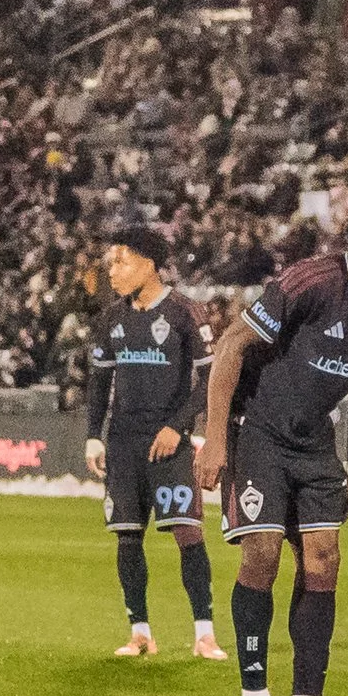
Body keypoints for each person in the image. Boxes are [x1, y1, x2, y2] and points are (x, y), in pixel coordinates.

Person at [195, 191, 348, 696]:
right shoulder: (312, 282)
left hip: (316, 443)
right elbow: (231, 346)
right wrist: (215, 439)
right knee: (263, 553)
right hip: (257, 432)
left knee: (324, 560)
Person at [84, 228, 223, 660]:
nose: (112, 271)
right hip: (124, 443)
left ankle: (205, 633)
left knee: (187, 533)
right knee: (128, 537)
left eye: (119, 262)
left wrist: (179, 427)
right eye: (110, 264)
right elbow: (99, 381)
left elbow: (210, 382)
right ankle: (140, 631)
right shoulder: (111, 319)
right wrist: (93, 434)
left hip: (169, 443)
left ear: (148, 263)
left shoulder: (185, 313)